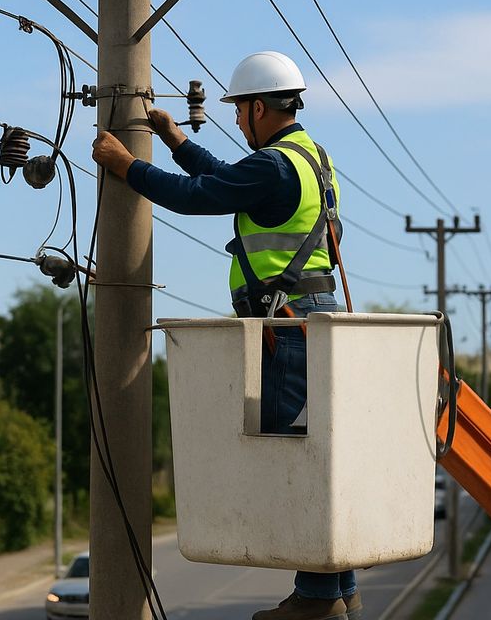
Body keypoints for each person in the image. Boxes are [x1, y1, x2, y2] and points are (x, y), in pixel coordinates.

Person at [92, 50, 360, 620]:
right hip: (309, 320)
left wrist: (126, 166)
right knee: (321, 454)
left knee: (298, 458)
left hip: (287, 327)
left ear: (260, 107)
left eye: (239, 110)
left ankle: (318, 598)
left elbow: (200, 196)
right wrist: (174, 140)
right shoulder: (309, 158)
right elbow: (225, 178)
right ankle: (339, 589)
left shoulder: (274, 166)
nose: (237, 120)